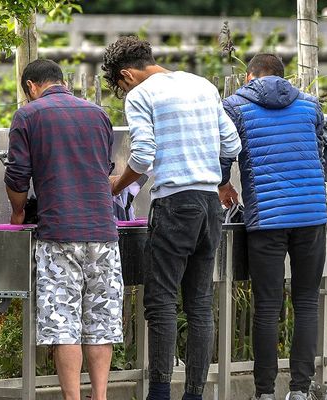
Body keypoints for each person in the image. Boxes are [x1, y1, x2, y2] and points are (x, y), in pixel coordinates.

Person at [101, 36, 241, 400]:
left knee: (161, 300)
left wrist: (117, 185)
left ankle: (160, 393)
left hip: (174, 203)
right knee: (199, 302)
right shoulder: (201, 85)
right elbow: (232, 144)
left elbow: (143, 154)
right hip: (210, 204)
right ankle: (194, 394)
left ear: (126, 75)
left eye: (118, 85)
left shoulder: (140, 95)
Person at [4, 59, 123, 400]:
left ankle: (72, 398)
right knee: (101, 323)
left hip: (59, 234)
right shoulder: (99, 114)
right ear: (62, 81)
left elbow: (16, 177)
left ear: (31, 86)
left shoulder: (28, 115)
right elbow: (104, 168)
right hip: (104, 231)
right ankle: (99, 397)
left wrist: (16, 212)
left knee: (63, 323)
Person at [219, 54, 327, 400]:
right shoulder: (310, 106)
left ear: (249, 77)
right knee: (307, 302)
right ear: (284, 77)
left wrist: (223, 183)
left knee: (267, 307)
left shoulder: (235, 106)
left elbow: (223, 151)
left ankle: (264, 393)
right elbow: (325, 152)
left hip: (267, 218)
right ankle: (299, 391)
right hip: (311, 215)